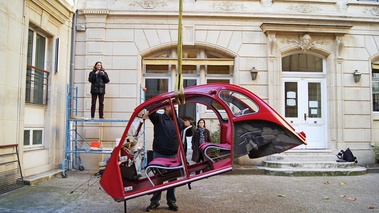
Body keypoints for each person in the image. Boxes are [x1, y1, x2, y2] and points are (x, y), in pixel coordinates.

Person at [146, 106, 193, 212]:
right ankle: (154, 202)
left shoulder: (178, 121)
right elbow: (150, 111)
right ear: (167, 108)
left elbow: (189, 133)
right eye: (173, 107)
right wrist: (161, 102)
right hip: (160, 154)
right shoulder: (158, 118)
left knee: (173, 180)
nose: (175, 108)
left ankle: (171, 202)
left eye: (176, 107)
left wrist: (190, 126)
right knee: (159, 179)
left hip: (173, 155)